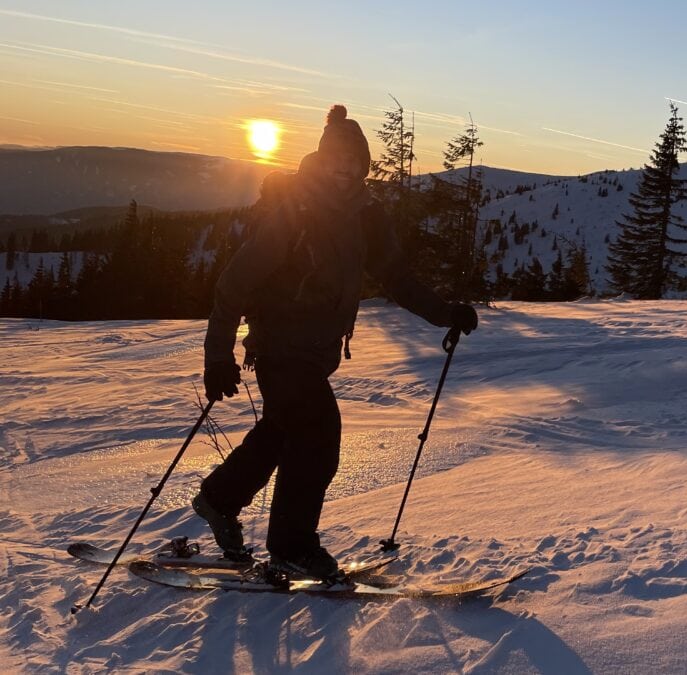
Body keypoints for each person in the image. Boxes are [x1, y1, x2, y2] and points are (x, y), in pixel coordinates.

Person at [194, 104, 478, 581]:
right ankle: (290, 546)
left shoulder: (366, 215)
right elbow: (234, 283)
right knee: (318, 436)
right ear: (322, 160)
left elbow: (396, 278)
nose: (345, 170)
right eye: (336, 160)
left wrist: (444, 313)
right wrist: (218, 354)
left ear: (363, 164)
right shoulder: (295, 209)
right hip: (280, 348)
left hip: (317, 351)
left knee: (282, 432)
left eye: (354, 161)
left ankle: (219, 500)